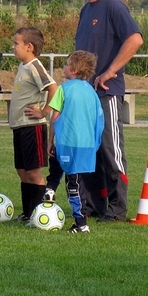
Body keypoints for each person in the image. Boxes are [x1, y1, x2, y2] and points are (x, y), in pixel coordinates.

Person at [74, 0, 143, 222]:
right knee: (90, 151)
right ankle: (94, 205)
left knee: (110, 150)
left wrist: (110, 70)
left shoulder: (114, 6)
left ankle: (117, 208)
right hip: (86, 94)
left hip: (106, 92)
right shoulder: (85, 11)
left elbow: (135, 39)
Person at [47, 51, 104, 233]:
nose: (63, 67)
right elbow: (99, 119)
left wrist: (50, 140)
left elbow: (55, 117)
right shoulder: (92, 92)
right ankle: (49, 190)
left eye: (66, 64)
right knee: (67, 170)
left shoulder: (64, 89)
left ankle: (81, 223)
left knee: (73, 181)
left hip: (68, 141)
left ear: (74, 69)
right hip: (87, 144)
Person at [10, 27, 57, 221]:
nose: (13, 47)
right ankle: (28, 213)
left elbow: (54, 88)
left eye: (16, 44)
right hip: (20, 127)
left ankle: (39, 214)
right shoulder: (23, 66)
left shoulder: (35, 66)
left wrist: (44, 112)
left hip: (32, 126)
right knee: (22, 171)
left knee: (33, 172)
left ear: (29, 47)